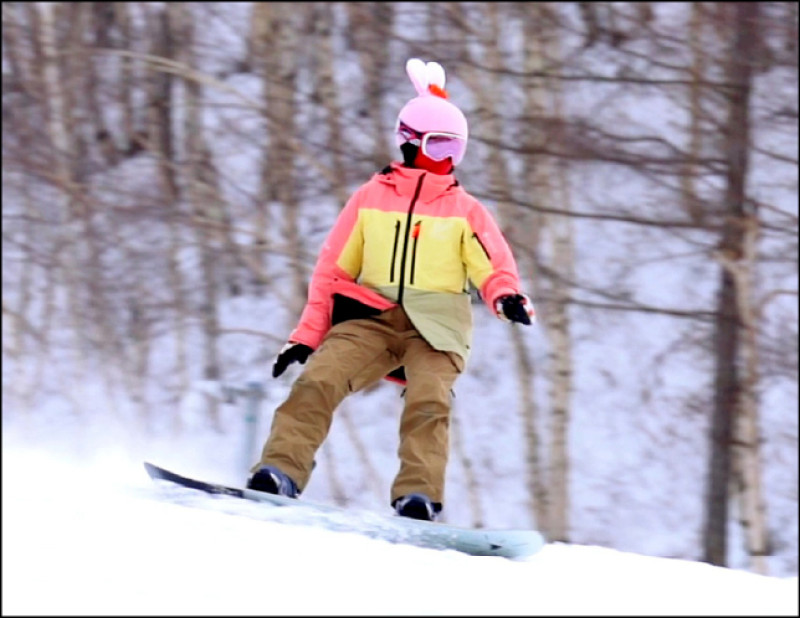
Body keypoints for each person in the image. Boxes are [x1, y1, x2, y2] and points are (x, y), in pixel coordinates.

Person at [247, 58, 535, 521]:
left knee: (429, 400)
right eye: (439, 144)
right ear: (410, 141)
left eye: (456, 148)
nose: (447, 159)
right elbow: (331, 272)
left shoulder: (465, 210)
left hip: (437, 329)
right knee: (318, 380)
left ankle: (417, 496)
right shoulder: (369, 199)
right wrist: (306, 336)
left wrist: (506, 297)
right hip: (371, 318)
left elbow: (494, 266)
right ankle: (280, 471)